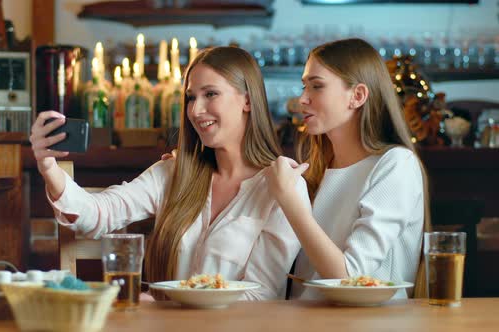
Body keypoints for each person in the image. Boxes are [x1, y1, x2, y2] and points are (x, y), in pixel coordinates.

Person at [29, 46, 308, 300]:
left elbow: (261, 299)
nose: (196, 110)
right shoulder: (173, 172)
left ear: (247, 100)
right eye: (190, 97)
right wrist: (48, 166)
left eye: (210, 94)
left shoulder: (284, 187)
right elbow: (98, 214)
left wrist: (168, 306)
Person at [266, 38, 430, 299]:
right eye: (304, 87)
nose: (302, 99)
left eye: (317, 86)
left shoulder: (396, 165)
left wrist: (288, 200)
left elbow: (351, 279)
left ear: (357, 96)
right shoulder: (319, 168)